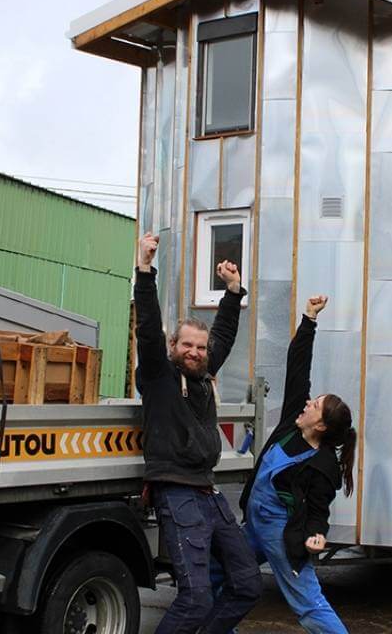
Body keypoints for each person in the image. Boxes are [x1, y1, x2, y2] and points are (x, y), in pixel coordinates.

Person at [134, 232, 262, 634]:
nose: (194, 351)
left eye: (200, 347)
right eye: (187, 345)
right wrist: (144, 269)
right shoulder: (158, 374)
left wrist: (233, 290)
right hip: (177, 493)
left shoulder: (204, 372)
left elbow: (223, 333)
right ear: (174, 346)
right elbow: (149, 330)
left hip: (208, 493)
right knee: (194, 598)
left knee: (247, 584)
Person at [237, 294, 356, 634]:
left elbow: (319, 509)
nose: (307, 403)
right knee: (221, 575)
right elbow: (298, 366)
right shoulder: (292, 422)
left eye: (314, 405)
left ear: (320, 425)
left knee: (308, 605)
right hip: (253, 528)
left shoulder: (322, 466)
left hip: (279, 533)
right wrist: (309, 319)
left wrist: (317, 535)